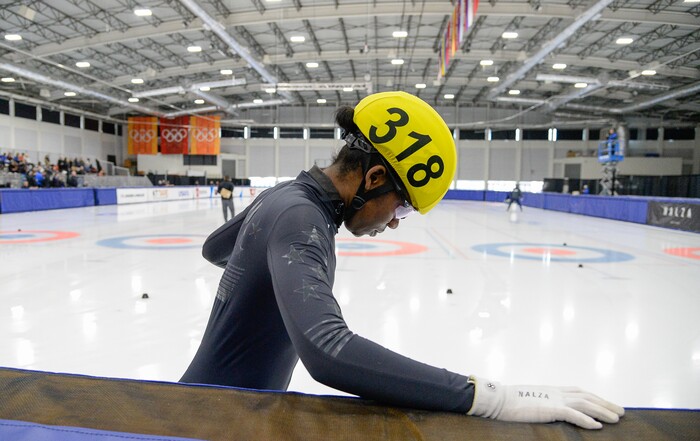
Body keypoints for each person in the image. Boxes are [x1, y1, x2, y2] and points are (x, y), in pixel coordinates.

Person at [180, 92, 624, 429]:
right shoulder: (301, 219)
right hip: (207, 424)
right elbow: (328, 351)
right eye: (403, 207)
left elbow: (216, 248)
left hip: (216, 407)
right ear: (374, 177)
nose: (395, 223)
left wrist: (264, 276)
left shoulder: (282, 197)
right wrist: (490, 397)